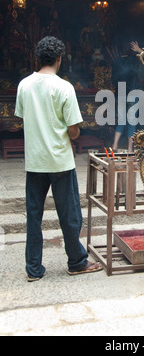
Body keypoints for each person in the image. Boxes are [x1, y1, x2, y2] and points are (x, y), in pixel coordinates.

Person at [15, 36, 101, 282]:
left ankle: (33, 269)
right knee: (69, 214)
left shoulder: (24, 85)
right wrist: (67, 131)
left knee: (34, 215)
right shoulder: (64, 87)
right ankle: (76, 262)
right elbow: (74, 131)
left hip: (35, 161)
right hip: (61, 161)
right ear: (60, 58)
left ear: (37, 58)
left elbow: (23, 118)